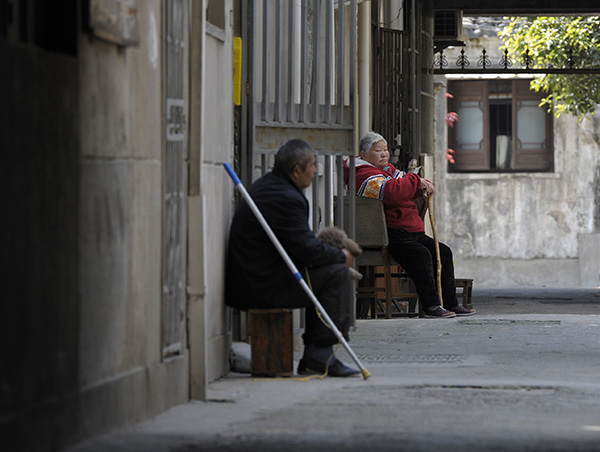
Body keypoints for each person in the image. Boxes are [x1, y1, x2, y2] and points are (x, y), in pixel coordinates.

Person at [226, 139, 360, 376]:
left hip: (260, 276)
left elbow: (299, 244)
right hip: (260, 285)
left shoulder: (272, 186)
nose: (315, 170)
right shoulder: (284, 197)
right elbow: (305, 249)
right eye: (312, 165)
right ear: (297, 170)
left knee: (327, 271)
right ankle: (320, 355)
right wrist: (340, 256)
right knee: (336, 273)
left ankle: (315, 354)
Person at [344, 131, 475, 318]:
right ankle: (431, 306)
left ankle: (450, 304)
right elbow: (392, 192)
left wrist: (420, 183)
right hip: (389, 233)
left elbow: (410, 185)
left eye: (385, 150)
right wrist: (415, 180)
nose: (384, 154)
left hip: (411, 230)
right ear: (364, 155)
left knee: (443, 252)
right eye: (378, 150)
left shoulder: (388, 170)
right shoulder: (362, 175)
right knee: (421, 255)